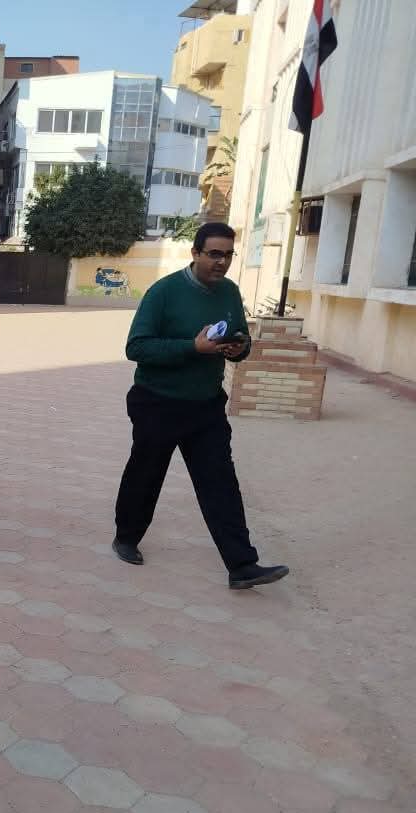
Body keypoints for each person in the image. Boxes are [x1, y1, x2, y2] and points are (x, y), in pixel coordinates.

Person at [111, 221, 289, 590]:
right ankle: (126, 538)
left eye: (228, 255)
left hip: (206, 406)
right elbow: (136, 347)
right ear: (195, 253)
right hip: (157, 402)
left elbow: (241, 339)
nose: (222, 262)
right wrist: (193, 347)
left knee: (220, 483)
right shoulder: (164, 292)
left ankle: (242, 565)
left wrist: (238, 348)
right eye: (214, 254)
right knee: (146, 475)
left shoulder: (230, 292)